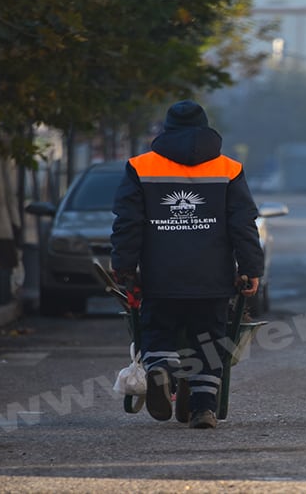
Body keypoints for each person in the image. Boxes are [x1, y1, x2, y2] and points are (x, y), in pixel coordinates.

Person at [110, 100, 264, 429]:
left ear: (166, 130)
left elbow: (128, 222)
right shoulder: (229, 168)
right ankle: (203, 409)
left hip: (160, 276)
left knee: (158, 331)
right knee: (209, 342)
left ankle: (161, 369)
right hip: (212, 278)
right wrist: (251, 268)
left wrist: (124, 267)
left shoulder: (141, 166)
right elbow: (243, 223)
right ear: (207, 129)